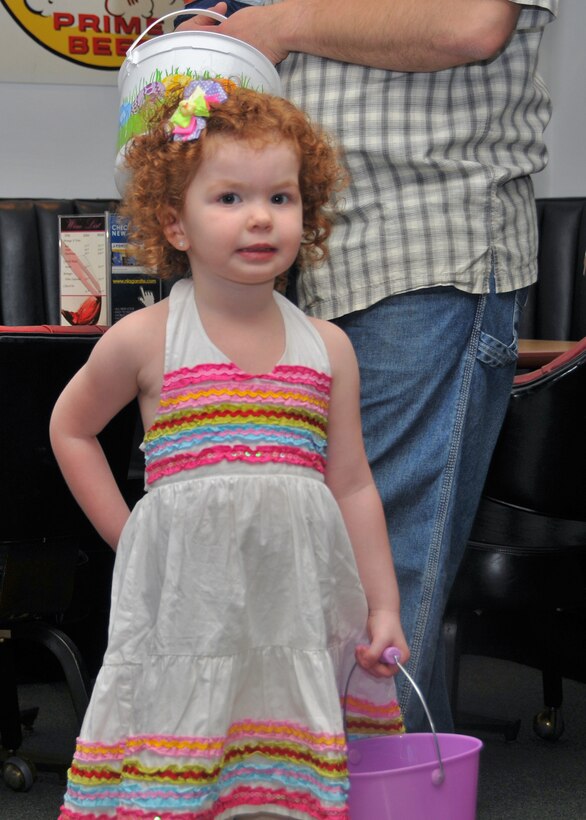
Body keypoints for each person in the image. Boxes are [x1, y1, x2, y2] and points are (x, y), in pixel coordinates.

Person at [175, 0, 559, 733]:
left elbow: (472, 22)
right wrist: (218, 28)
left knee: (378, 597)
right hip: (322, 254)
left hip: (421, 245)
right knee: (342, 588)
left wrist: (278, 25)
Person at [51, 85, 408, 819]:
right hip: (191, 611)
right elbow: (71, 428)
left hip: (297, 609)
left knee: (280, 779)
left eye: (281, 197)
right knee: (184, 767)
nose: (259, 217)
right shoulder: (146, 337)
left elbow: (352, 484)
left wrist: (385, 604)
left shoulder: (329, 347)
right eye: (229, 197)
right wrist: (131, 534)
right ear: (174, 224)